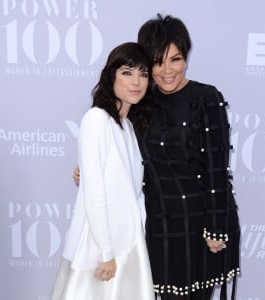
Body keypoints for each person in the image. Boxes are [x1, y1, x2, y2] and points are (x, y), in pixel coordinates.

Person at [74, 14, 241, 300]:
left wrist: (216, 228)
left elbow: (217, 170)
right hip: (155, 228)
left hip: (201, 225)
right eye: (156, 61)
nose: (166, 70)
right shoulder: (141, 100)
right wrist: (90, 168)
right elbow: (120, 147)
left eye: (175, 59)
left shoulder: (206, 98)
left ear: (186, 58)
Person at [51, 42, 155, 300]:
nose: (136, 82)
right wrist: (106, 253)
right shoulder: (97, 119)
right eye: (127, 72)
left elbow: (130, 192)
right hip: (98, 249)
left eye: (143, 74)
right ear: (111, 76)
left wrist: (134, 242)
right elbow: (95, 192)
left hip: (128, 246)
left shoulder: (128, 128)